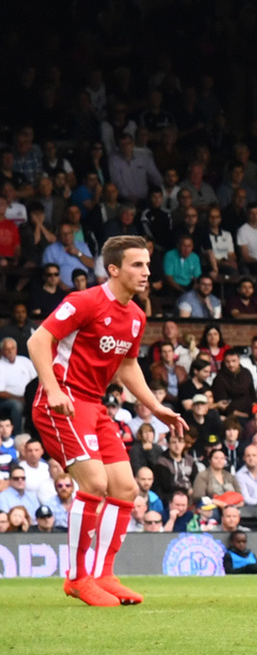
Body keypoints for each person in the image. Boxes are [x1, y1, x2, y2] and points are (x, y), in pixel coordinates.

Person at [27, 235, 188, 607]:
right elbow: (38, 341)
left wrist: (155, 406)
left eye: (148, 265)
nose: (146, 272)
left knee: (126, 488)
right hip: (62, 403)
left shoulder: (136, 316)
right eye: (137, 265)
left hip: (96, 406)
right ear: (113, 269)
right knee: (95, 483)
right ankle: (78, 578)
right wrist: (52, 389)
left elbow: (127, 367)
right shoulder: (83, 301)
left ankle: (103, 574)